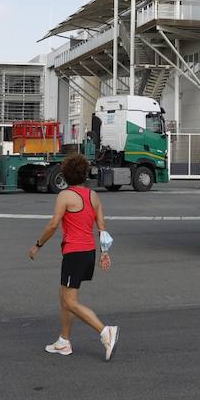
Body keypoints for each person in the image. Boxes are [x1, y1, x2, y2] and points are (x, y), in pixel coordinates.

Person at [28, 154, 119, 360]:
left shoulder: (65, 195)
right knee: (65, 297)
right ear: (84, 174)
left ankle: (105, 331)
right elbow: (102, 228)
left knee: (69, 301)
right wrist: (104, 253)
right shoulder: (93, 196)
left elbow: (53, 225)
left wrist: (37, 245)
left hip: (74, 253)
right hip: (88, 252)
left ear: (65, 173)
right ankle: (64, 341)